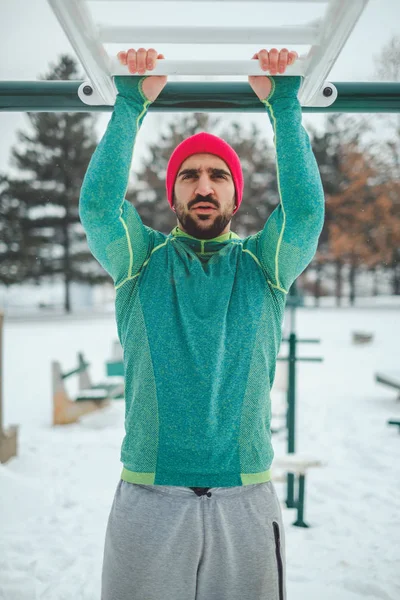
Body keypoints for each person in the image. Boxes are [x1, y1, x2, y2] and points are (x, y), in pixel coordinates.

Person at [79, 46, 325, 600]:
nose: (204, 185)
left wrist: (284, 106)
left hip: (245, 499)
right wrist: (129, 104)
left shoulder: (265, 266)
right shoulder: (140, 263)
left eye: (218, 175)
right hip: (148, 500)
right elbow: (97, 208)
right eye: (189, 176)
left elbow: (306, 213)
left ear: (236, 194)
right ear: (173, 195)